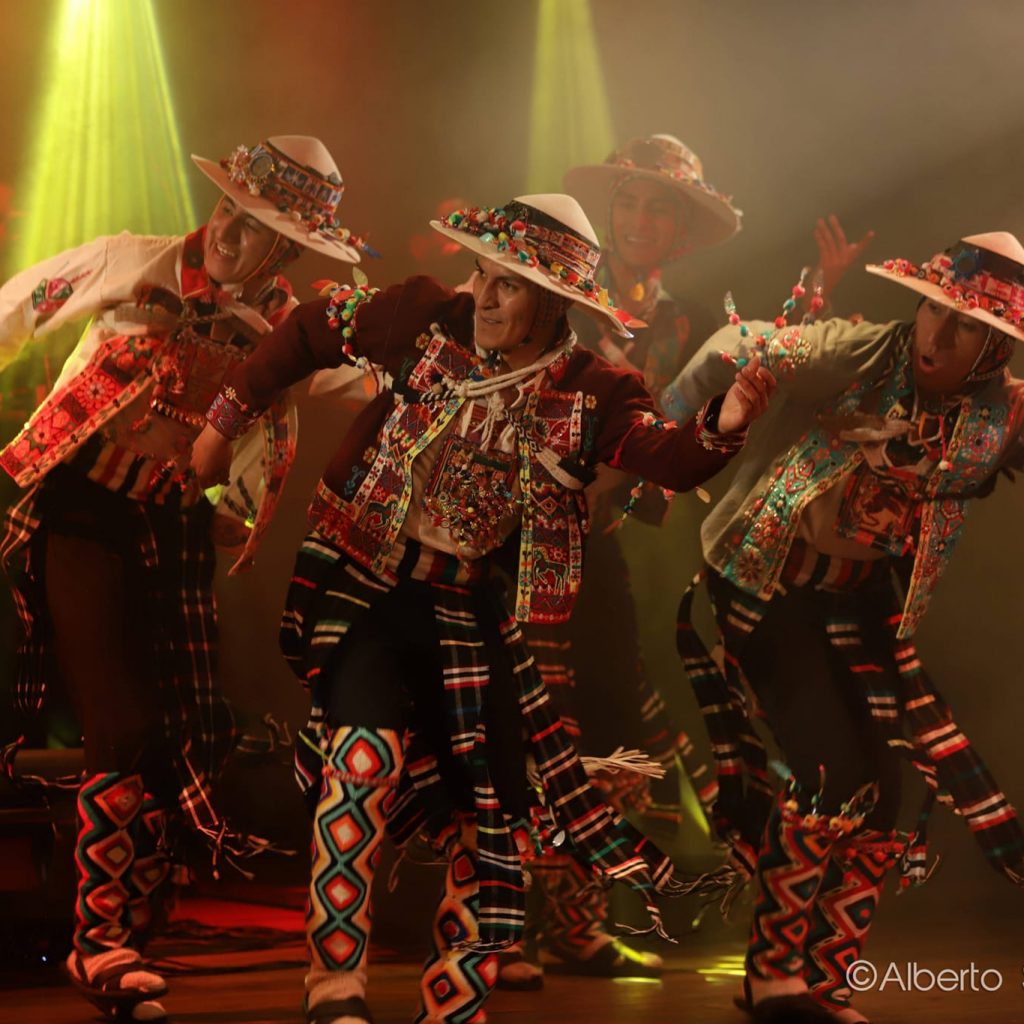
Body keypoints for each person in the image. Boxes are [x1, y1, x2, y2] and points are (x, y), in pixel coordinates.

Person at [190, 192, 776, 1024]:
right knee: (361, 764)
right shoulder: (421, 316)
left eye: (510, 287)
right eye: (484, 275)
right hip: (368, 584)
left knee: (493, 818)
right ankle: (335, 986)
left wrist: (726, 421)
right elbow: (311, 329)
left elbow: (665, 458)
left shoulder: (594, 389)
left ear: (557, 303)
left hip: (469, 611)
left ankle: (455, 1004)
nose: (486, 297)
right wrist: (223, 421)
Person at [0, 135, 369, 1024]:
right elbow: (16, 307)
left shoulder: (293, 328)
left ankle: (126, 926)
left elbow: (372, 381)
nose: (231, 236)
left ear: (289, 248)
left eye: (258, 228)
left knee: (177, 728)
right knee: (114, 714)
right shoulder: (135, 261)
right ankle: (98, 943)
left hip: (171, 529)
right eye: (230, 213)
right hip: (78, 509)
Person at [665, 231, 1024, 1023]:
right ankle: (772, 978)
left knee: (883, 788)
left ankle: (824, 983)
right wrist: (665, 435)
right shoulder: (862, 353)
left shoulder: (1003, 415)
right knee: (829, 771)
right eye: (934, 310)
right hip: (763, 580)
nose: (937, 333)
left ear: (996, 347)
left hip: (859, 605)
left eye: (963, 327)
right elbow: (737, 342)